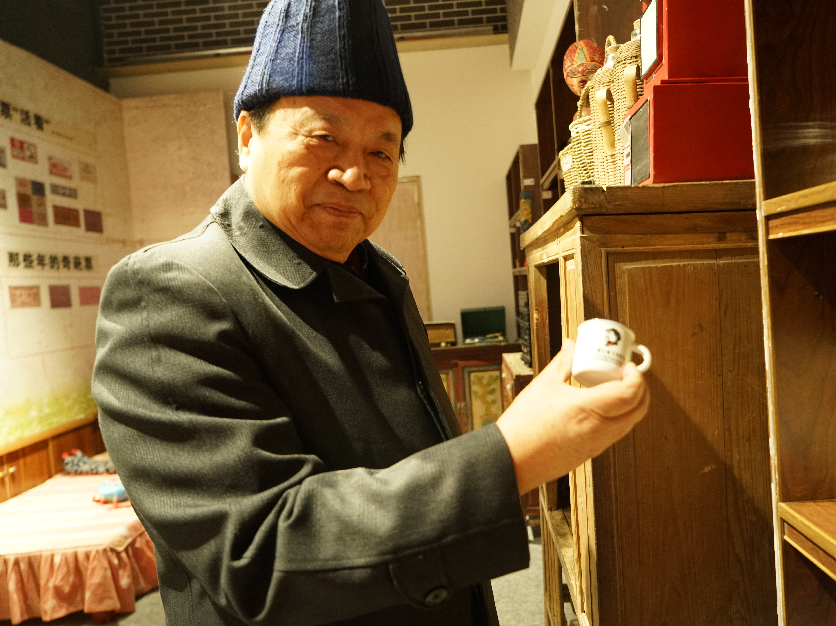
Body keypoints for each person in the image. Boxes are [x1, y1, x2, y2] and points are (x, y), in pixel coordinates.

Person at [91, 0, 649, 624]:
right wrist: (512, 454)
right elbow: (260, 552)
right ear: (247, 137)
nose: (355, 174)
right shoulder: (168, 292)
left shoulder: (380, 274)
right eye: (323, 137)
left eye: (382, 152)